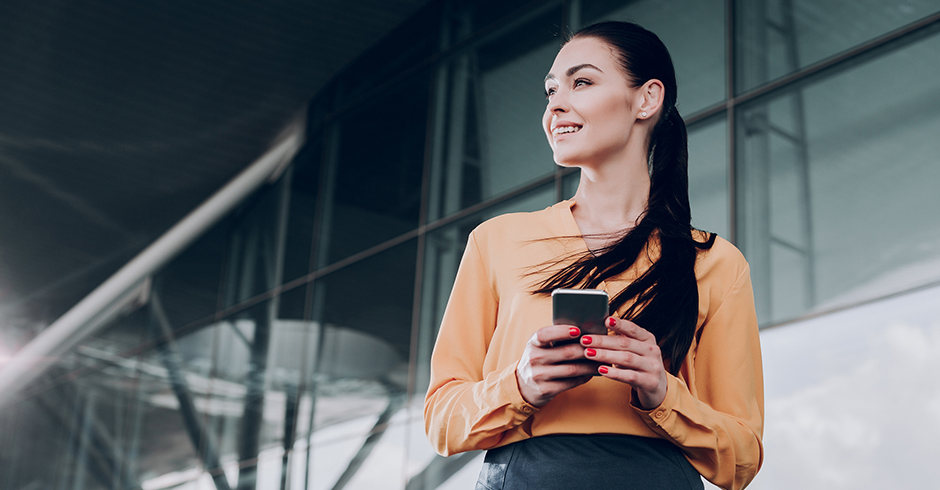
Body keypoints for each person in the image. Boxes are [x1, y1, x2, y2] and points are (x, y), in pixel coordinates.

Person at [424, 21, 763, 490]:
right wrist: (521, 384)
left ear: (647, 99)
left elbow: (742, 459)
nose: (555, 105)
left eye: (581, 82)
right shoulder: (496, 240)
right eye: (550, 91)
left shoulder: (715, 263)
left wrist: (663, 392)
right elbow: (441, 421)